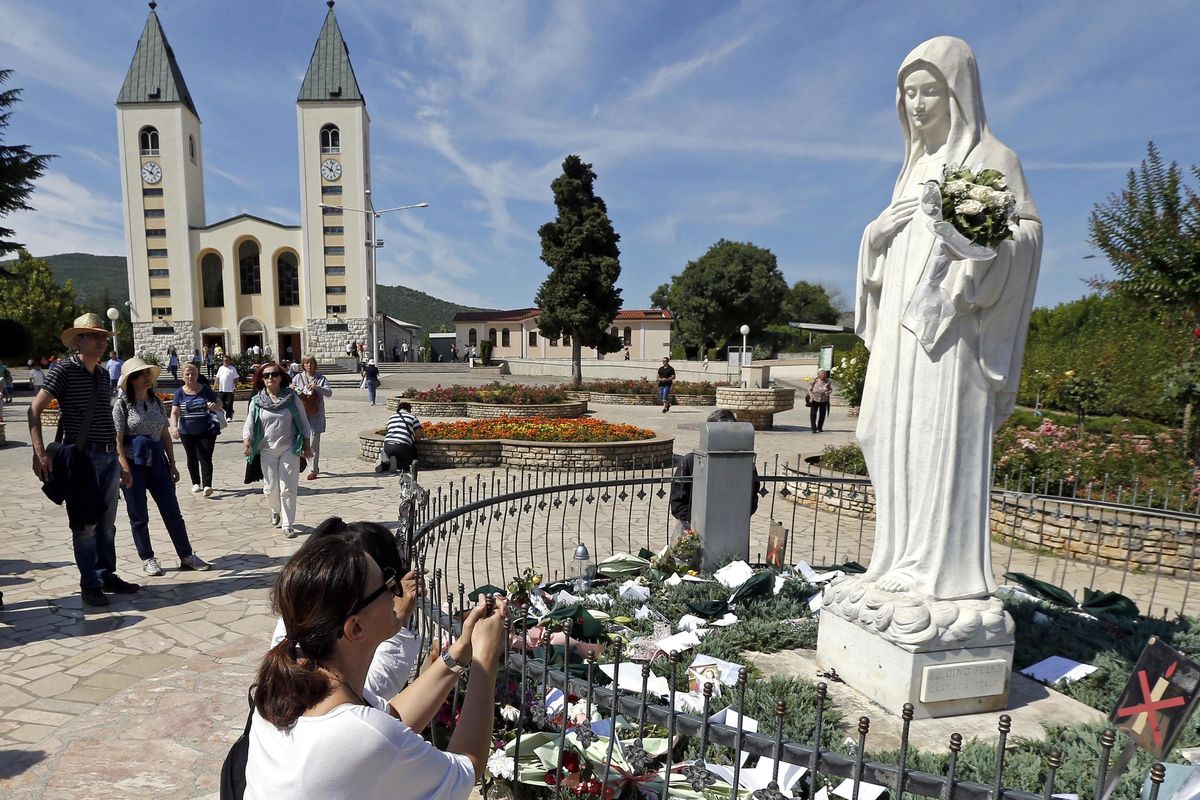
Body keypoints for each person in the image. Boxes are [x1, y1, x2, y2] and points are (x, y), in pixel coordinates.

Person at [853, 37, 1042, 599]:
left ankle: (938, 575)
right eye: (907, 92)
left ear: (957, 93)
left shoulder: (993, 159)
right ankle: (894, 560)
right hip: (899, 335)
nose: (916, 104)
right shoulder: (909, 170)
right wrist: (874, 236)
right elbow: (887, 254)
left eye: (929, 90)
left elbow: (1026, 234)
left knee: (937, 441)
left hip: (951, 334)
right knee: (879, 431)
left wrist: (983, 247)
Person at [244, 531, 506, 799]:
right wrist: (485, 660)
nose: (398, 592)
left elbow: (394, 717)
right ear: (355, 628)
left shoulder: (291, 680)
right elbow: (467, 769)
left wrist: (459, 654)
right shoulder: (359, 733)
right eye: (387, 585)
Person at [28, 312, 141, 607]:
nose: (103, 341)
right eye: (95, 336)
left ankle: (107, 575)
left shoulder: (103, 374)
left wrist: (120, 461)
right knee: (86, 526)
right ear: (79, 340)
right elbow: (34, 409)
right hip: (82, 459)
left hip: (107, 457)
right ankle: (89, 583)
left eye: (104, 336)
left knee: (107, 524)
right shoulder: (63, 371)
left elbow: (106, 418)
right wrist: (39, 452)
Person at [269, 518, 423, 699]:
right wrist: (399, 621)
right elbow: (370, 693)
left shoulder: (310, 613)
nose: (395, 595)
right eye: (387, 584)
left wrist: (452, 659)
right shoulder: (340, 705)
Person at [114, 358, 210, 576]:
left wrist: (173, 463)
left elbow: (165, 433)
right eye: (143, 374)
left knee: (172, 512)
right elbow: (117, 440)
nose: (148, 378)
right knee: (138, 515)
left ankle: (186, 554)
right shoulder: (121, 405)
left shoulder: (156, 401)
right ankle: (147, 557)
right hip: (134, 465)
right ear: (132, 379)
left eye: (149, 373)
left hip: (158, 463)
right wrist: (124, 468)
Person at [243, 362, 313, 538]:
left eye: (274, 374)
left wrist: (307, 445)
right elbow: (249, 423)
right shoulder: (257, 400)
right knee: (271, 487)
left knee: (288, 487)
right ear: (262, 379)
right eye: (266, 375)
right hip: (267, 450)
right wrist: (247, 442)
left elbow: (304, 422)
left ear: (281, 377)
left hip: (290, 448)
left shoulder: (292, 397)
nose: (270, 378)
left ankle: (288, 524)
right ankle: (275, 510)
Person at [669, 409, 759, 534]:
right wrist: (695, 522)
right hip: (693, 530)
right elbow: (677, 501)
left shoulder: (745, 464)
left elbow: (751, 499)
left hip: (732, 528)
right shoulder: (691, 461)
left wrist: (733, 519)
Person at [170, 362, 223, 497]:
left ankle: (207, 485)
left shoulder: (205, 389)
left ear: (197, 375)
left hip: (207, 429)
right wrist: (174, 427)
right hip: (187, 431)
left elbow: (219, 402)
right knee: (191, 457)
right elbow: (174, 412)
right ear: (183, 377)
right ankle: (196, 482)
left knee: (205, 456)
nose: (190, 376)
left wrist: (215, 406)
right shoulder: (179, 393)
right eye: (187, 374)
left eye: (193, 374)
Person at [294, 354, 333, 480]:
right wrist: (292, 388)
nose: (309, 365)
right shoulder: (298, 378)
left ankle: (313, 469)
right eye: (306, 363)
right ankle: (309, 464)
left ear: (315, 364)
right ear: (303, 365)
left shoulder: (320, 378)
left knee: (313, 442)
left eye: (311, 363)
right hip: (302, 414)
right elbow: (289, 392)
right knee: (302, 441)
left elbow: (329, 393)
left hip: (316, 413)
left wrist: (317, 387)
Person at [378, 402, 421, 474]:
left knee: (393, 454)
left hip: (387, 445)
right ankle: (396, 463)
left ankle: (384, 463)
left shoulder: (391, 417)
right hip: (402, 446)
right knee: (406, 464)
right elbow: (418, 435)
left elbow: (388, 429)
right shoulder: (412, 417)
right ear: (409, 409)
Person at [807, 369, 833, 433]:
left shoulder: (828, 381)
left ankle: (820, 427)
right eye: (821, 373)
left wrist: (828, 392)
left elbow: (830, 389)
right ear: (818, 374)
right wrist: (811, 396)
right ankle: (813, 428)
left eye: (824, 373)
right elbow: (809, 389)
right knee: (813, 414)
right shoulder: (814, 381)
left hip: (823, 400)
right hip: (815, 399)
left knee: (822, 414)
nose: (823, 375)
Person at [215, 355, 239, 422]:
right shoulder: (221, 368)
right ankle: (231, 411)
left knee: (229, 404)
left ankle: (228, 416)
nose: (225, 362)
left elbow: (236, 378)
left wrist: (235, 387)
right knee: (220, 403)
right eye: (224, 360)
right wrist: (214, 386)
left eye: (226, 360)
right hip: (221, 389)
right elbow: (217, 377)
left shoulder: (232, 369)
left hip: (230, 390)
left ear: (230, 361)